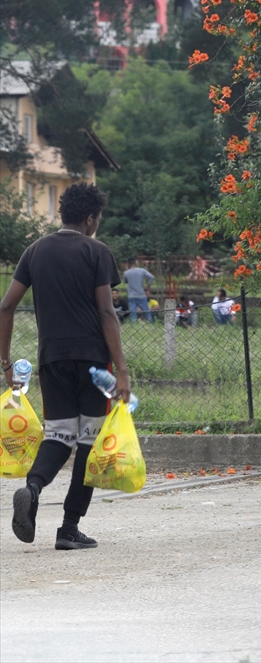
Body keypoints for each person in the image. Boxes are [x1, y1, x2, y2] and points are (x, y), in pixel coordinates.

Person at [0, 183, 131, 550]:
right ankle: (68, 529)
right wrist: (121, 370)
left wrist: (6, 363)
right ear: (90, 218)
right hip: (93, 362)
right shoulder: (97, 252)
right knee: (88, 441)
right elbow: (106, 311)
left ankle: (33, 487)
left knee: (58, 435)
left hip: (52, 358)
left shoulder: (34, 251)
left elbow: (5, 307)